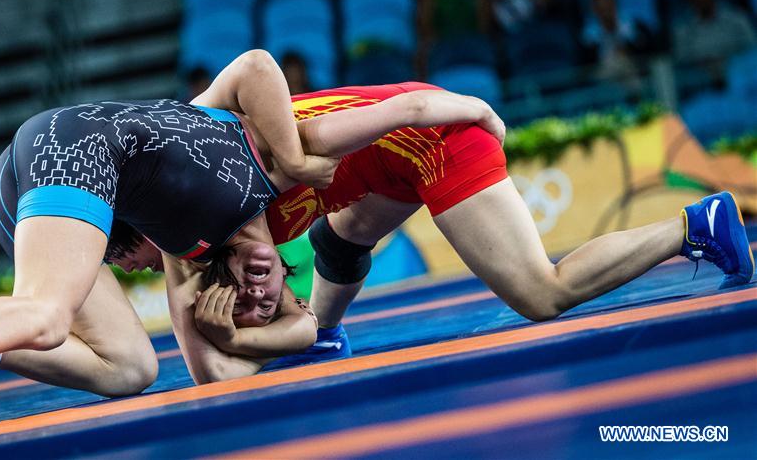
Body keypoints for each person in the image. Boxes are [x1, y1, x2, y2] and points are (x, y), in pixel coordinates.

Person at [0, 51, 506, 439]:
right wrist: (474, 109)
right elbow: (266, 67)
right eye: (270, 279)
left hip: (54, 157)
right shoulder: (270, 168)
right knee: (50, 311)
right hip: (72, 147)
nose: (268, 275)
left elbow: (209, 375)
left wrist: (263, 329)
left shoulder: (192, 229)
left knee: (129, 370)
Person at [146, 82, 755, 382]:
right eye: (265, 301)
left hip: (433, 135)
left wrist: (479, 110)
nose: (267, 296)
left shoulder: (257, 173)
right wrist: (253, 337)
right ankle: (331, 336)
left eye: (258, 290)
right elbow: (222, 371)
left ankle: (692, 225)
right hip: (382, 162)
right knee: (340, 237)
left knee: (541, 294)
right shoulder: (220, 232)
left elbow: (408, 108)